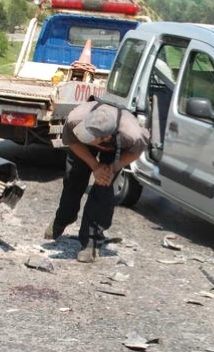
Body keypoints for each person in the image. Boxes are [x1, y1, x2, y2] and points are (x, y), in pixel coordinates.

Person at [45, 100, 149, 263]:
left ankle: (91, 243)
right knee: (74, 178)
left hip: (116, 148)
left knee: (104, 189)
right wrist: (94, 165)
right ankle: (63, 219)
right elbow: (72, 141)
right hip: (83, 148)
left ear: (105, 137)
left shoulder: (132, 134)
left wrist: (112, 169)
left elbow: (136, 152)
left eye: (90, 137)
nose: (85, 136)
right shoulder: (76, 120)